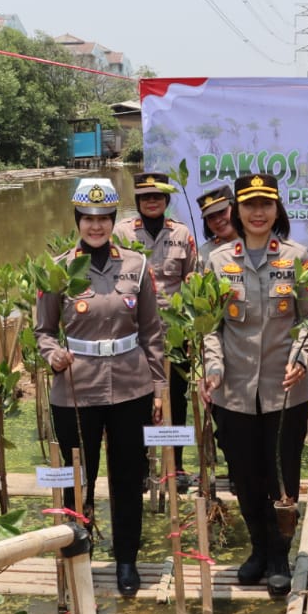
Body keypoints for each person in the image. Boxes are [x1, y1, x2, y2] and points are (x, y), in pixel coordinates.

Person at [36, 178, 165, 596]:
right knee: (78, 480)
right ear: (78, 220)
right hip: (76, 389)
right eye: (88, 218)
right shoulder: (58, 269)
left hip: (131, 387)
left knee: (128, 477)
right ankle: (80, 555)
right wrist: (53, 354)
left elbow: (152, 332)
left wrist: (159, 388)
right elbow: (43, 331)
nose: (96, 226)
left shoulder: (137, 266)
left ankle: (127, 559)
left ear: (113, 220)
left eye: (104, 218)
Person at [200, 173, 308, 596]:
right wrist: (212, 366)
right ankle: (259, 550)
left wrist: (299, 357)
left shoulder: (297, 257)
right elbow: (209, 326)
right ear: (237, 211)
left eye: (266, 204)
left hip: (286, 392)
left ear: (277, 208)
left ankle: (282, 554)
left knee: (282, 477)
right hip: (233, 391)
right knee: (245, 479)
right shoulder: (215, 262)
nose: (258, 212)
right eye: (250, 205)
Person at [115, 171, 197, 485]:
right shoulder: (121, 233)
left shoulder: (181, 233)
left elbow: (192, 281)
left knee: (176, 398)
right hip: (135, 335)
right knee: (138, 401)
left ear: (166, 200)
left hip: (175, 335)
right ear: (137, 200)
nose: (152, 201)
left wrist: (191, 333)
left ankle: (174, 467)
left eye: (158, 196)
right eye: (145, 196)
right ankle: (142, 468)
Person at [195, 184, 238, 272]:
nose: (218, 220)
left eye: (222, 211)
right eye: (211, 217)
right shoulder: (203, 254)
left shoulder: (256, 243)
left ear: (235, 209)